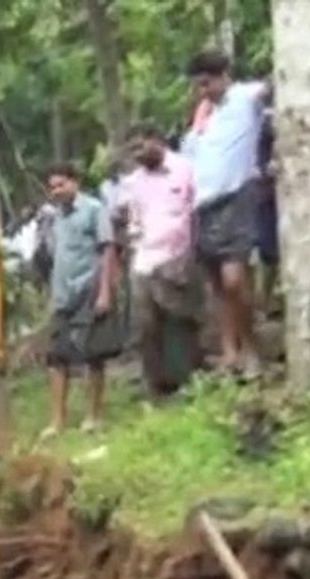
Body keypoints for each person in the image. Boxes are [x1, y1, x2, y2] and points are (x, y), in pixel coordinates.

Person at [181, 50, 269, 379]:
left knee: (235, 280)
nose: (202, 91)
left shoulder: (245, 97)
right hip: (204, 205)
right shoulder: (204, 117)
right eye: (198, 86)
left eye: (207, 83)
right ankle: (230, 354)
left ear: (223, 76)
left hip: (237, 196)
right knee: (217, 285)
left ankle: (252, 349)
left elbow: (272, 88)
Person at [40, 162, 123, 439]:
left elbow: (107, 250)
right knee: (56, 357)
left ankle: (93, 417)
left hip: (90, 289)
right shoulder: (55, 217)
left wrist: (105, 292)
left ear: (75, 182)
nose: (56, 191)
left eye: (61, 184)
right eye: (52, 187)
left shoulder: (94, 209)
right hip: (62, 294)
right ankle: (57, 421)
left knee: (93, 355)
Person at [120, 124, 203, 398]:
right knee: (146, 325)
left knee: (179, 319)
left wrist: (191, 251)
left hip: (178, 254)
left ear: (157, 140)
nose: (137, 154)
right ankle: (156, 384)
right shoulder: (134, 182)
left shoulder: (184, 168)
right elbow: (132, 219)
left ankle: (187, 380)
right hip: (144, 259)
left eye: (140, 146)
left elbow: (196, 210)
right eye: (132, 150)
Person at [255, 107, 280, 319]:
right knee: (268, 253)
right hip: (267, 196)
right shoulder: (264, 120)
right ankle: (263, 302)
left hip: (275, 195)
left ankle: (266, 301)